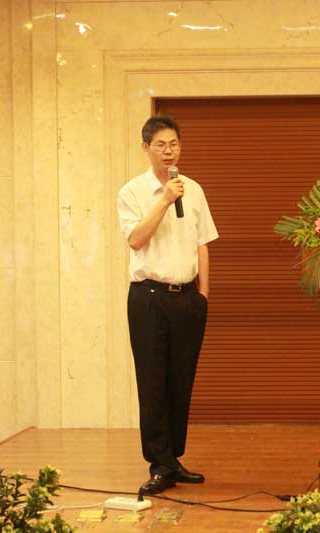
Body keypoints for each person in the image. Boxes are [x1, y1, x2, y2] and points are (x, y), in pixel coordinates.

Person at [117, 115, 218, 495]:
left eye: (174, 143)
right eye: (160, 144)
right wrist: (164, 200)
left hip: (187, 299)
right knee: (153, 382)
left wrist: (203, 295)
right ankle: (158, 463)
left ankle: (173, 459)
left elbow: (202, 243)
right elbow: (136, 239)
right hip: (149, 298)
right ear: (145, 148)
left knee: (180, 381)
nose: (168, 150)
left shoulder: (195, 189)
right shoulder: (132, 192)